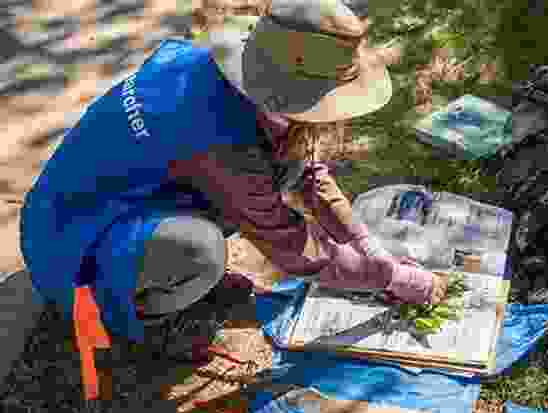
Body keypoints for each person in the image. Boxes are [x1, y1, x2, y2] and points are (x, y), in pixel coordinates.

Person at [20, 0, 454, 360]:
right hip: (71, 244)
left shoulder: (238, 80)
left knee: (274, 175)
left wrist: (365, 243)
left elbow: (307, 169)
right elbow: (290, 246)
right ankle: (147, 318)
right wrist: (388, 279)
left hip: (123, 201)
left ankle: (165, 275)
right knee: (199, 249)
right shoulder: (216, 135)